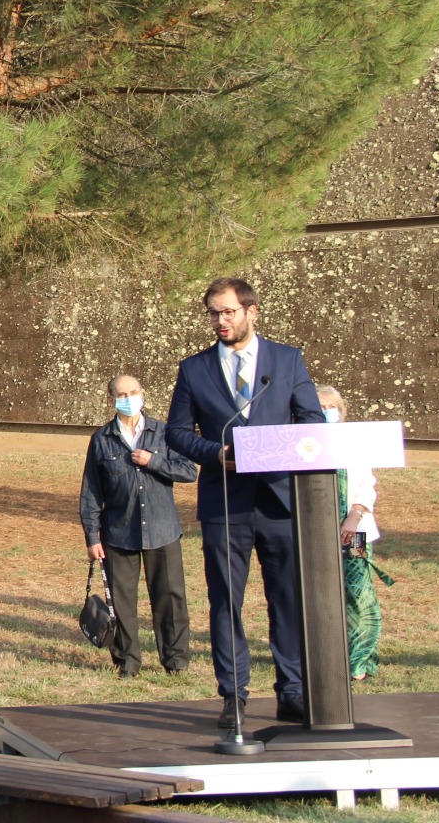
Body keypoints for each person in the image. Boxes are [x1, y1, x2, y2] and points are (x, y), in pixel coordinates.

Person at [166, 277, 323, 731]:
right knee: (225, 602)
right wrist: (215, 453)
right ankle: (233, 694)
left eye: (229, 312)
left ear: (252, 312)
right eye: (214, 313)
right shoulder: (194, 369)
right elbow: (177, 432)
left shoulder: (287, 360)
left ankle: (292, 691)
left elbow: (311, 419)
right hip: (225, 502)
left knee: (287, 599)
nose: (220, 320)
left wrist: (278, 449)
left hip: (279, 501)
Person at [79, 374, 196, 677]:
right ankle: (127, 662)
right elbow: (91, 492)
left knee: (170, 598)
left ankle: (175, 661)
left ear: (143, 394)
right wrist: (92, 536)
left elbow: (188, 471)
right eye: (122, 395)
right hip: (118, 532)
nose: (129, 399)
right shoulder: (101, 439)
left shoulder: (164, 433)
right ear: (111, 399)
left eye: (133, 392)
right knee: (121, 603)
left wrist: (153, 462)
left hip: (162, 530)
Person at [317, 386, 389, 681]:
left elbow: (365, 484)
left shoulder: (354, 442)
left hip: (354, 531)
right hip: (316, 531)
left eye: (330, 406)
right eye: (320, 407)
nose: (326, 412)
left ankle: (360, 659)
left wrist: (354, 517)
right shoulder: (303, 444)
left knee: (357, 590)